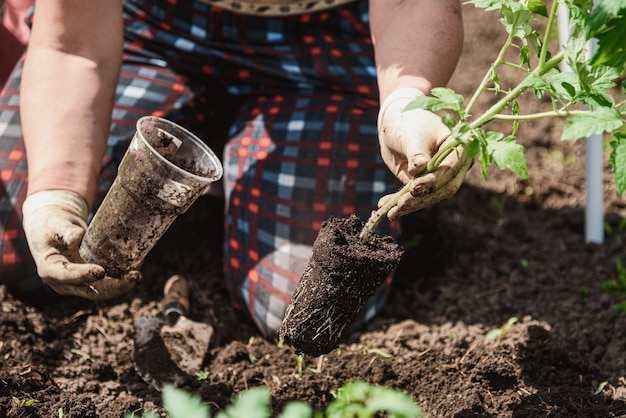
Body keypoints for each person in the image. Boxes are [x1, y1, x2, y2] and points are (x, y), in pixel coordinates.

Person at [0, 0, 470, 338]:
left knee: (299, 306)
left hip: (328, 41)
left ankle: (253, 145)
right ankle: (229, 145)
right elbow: (75, 44)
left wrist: (405, 102)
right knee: (21, 247)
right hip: (151, 26)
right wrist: (56, 191)